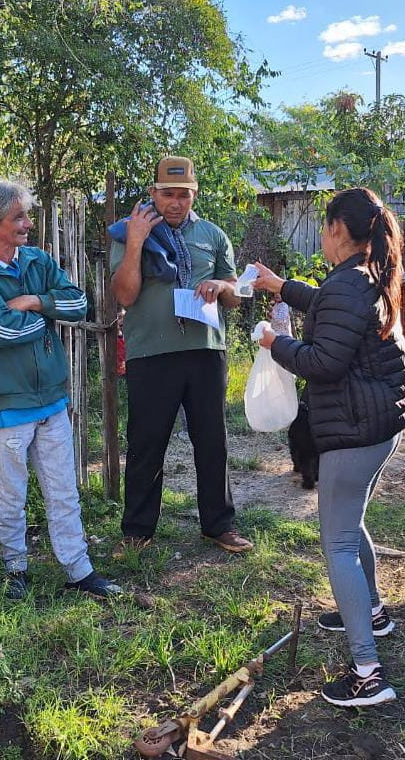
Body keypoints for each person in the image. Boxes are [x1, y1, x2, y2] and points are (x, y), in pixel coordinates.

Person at [253, 187, 405, 708]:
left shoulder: (350, 284)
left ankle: (368, 674)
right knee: (352, 524)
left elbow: (324, 361)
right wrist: (282, 288)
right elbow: (331, 303)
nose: (323, 238)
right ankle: (373, 611)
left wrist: (273, 344)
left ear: (338, 232)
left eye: (324, 229)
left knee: (339, 543)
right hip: (380, 421)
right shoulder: (362, 275)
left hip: (356, 427)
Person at [0, 180, 121, 601]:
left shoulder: (36, 261)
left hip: (51, 398)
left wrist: (35, 303)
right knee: (11, 494)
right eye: (19, 217)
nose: (28, 224)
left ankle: (78, 569)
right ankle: (15, 570)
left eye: (27, 215)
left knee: (63, 487)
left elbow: (79, 304)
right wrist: (50, 314)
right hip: (6, 404)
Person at [110, 156, 253, 554]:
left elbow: (235, 294)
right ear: (153, 193)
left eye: (184, 195)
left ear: (195, 195)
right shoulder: (129, 233)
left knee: (212, 441)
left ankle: (218, 525)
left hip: (205, 350)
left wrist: (220, 288)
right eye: (168, 194)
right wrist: (137, 241)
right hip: (151, 353)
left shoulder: (212, 234)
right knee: (146, 442)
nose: (176, 203)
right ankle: (137, 532)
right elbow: (123, 294)